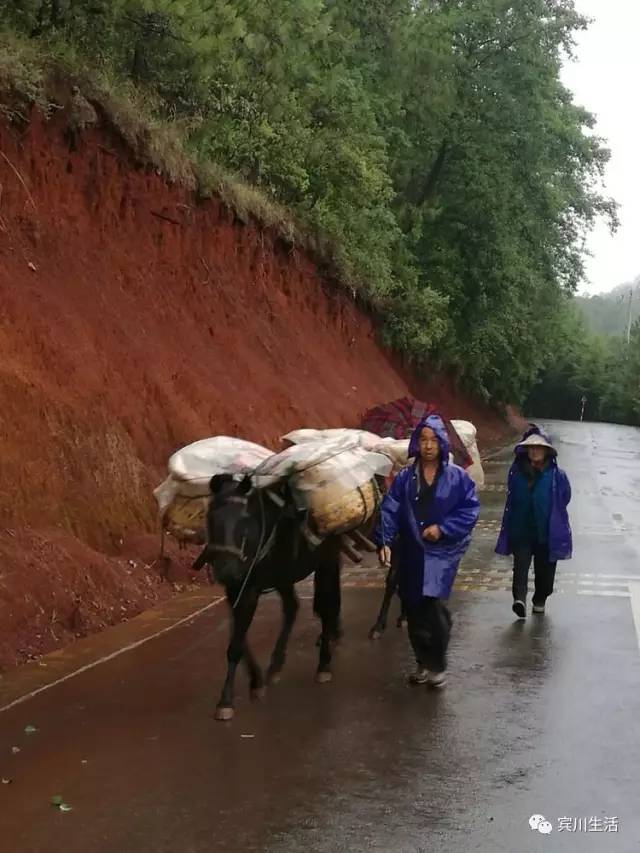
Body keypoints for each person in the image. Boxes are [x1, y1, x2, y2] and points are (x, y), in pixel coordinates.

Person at [374, 414, 480, 687]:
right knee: (412, 606)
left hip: (442, 552)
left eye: (433, 440)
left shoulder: (457, 478)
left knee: (433, 606)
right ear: (416, 444)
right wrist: (384, 539)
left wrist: (442, 528)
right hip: (411, 550)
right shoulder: (406, 479)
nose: (428, 445)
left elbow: (469, 511)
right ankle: (422, 662)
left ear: (442, 444)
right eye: (423, 440)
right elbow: (390, 507)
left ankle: (438, 664)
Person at [495, 430, 572, 619]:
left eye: (539, 448)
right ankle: (519, 600)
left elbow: (565, 497)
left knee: (545, 574)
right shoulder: (516, 472)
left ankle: (540, 599)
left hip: (547, 532)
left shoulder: (557, 476)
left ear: (547, 452)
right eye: (532, 447)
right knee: (520, 567)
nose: (535, 451)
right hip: (521, 529)